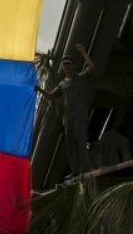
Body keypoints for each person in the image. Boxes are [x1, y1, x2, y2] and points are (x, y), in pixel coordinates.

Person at [35, 44, 96, 175]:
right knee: (70, 146)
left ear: (73, 66)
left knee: (81, 142)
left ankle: (85, 168)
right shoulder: (63, 84)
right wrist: (39, 89)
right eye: (65, 64)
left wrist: (83, 52)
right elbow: (51, 96)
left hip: (79, 115)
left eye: (69, 64)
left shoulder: (80, 77)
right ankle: (76, 171)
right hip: (68, 118)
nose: (67, 66)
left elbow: (91, 67)